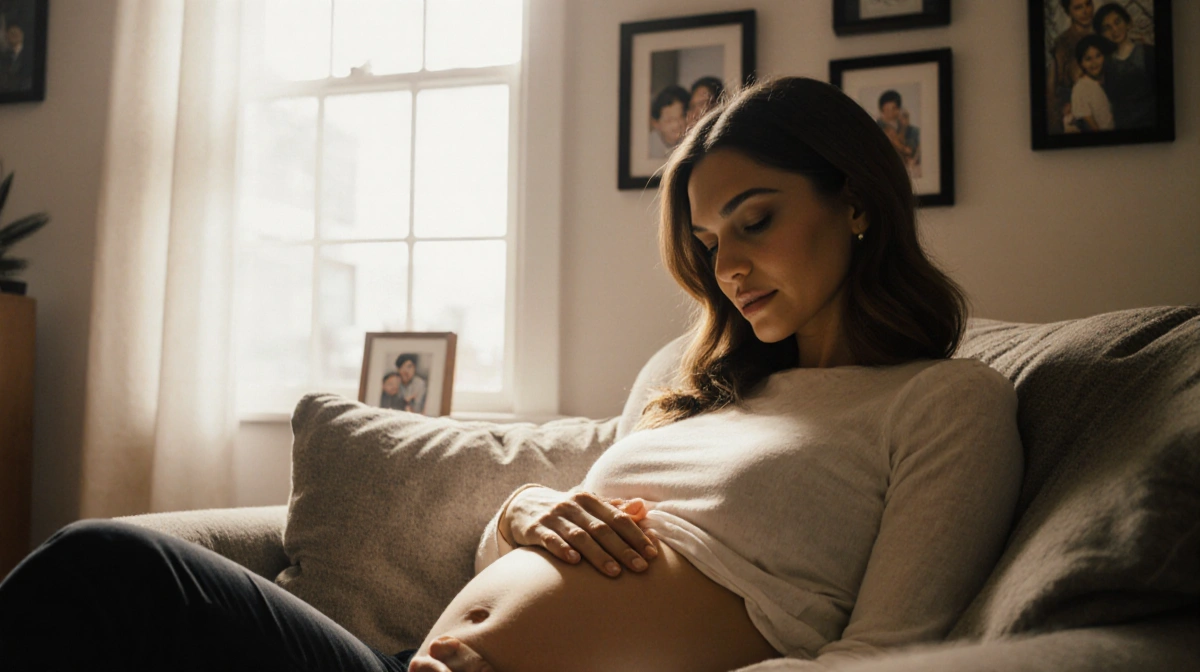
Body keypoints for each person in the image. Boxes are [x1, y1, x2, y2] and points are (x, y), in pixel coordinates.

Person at [0, 77, 1023, 672]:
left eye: (755, 220)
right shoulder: (691, 375)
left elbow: (889, 658)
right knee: (106, 568)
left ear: (857, 202)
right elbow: (543, 538)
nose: (730, 264)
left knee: (105, 574)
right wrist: (532, 508)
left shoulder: (944, 402)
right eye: (709, 242)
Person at [1094, 3, 1156, 129]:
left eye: (1118, 22)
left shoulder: (1148, 53)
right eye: (1107, 28)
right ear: (1102, 34)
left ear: (1128, 23)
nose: (1115, 30)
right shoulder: (1107, 63)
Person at [1048, 0, 1095, 134]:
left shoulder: (1101, 34)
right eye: (1078, 7)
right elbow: (1053, 88)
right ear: (1069, 12)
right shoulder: (1063, 44)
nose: (1085, 11)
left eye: (1088, 4)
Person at [1068, 34, 1116, 132]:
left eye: (1098, 56)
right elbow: (1089, 124)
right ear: (1081, 63)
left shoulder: (1102, 82)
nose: (1094, 63)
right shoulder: (1081, 88)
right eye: (1088, 59)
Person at [875, 90, 920, 177]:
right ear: (881, 110)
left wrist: (904, 128)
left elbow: (911, 151)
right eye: (886, 109)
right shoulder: (877, 129)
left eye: (894, 109)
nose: (890, 113)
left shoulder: (912, 130)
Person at [649, 84, 689, 159]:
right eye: (669, 120)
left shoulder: (688, 142)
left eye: (681, 117)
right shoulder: (648, 147)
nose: (676, 125)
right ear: (655, 123)